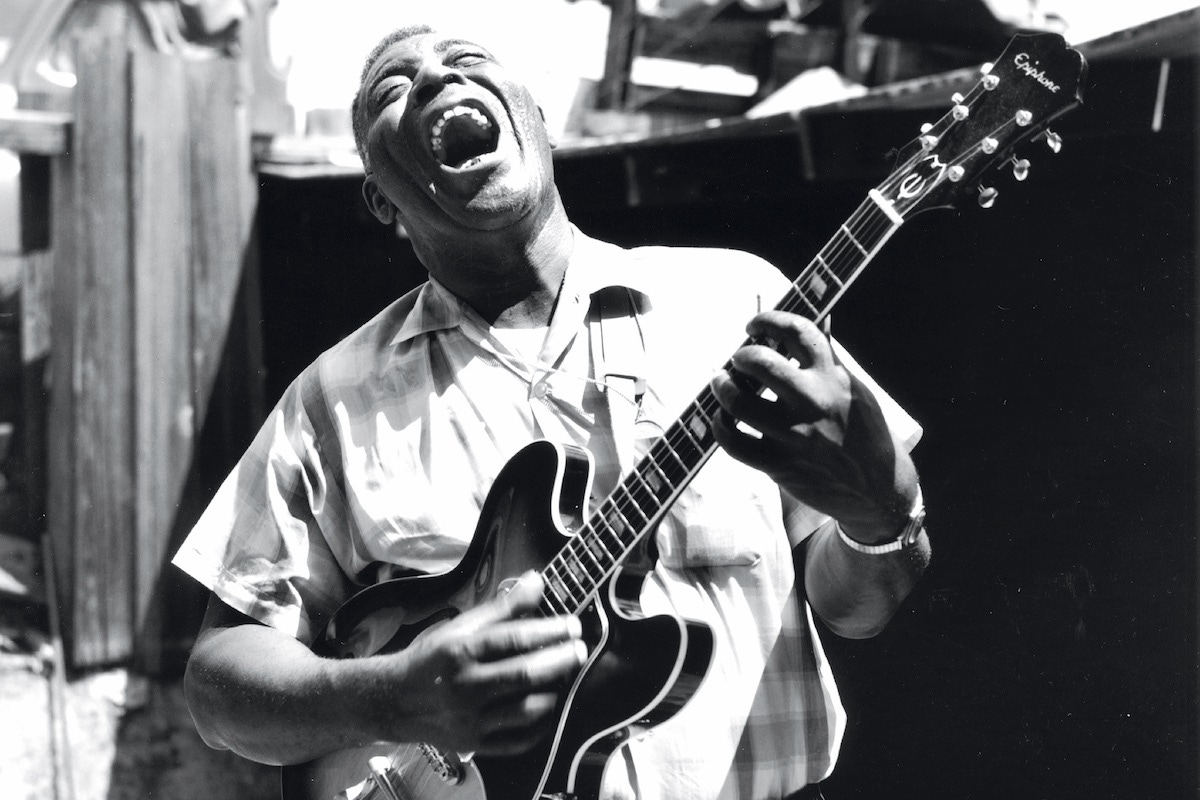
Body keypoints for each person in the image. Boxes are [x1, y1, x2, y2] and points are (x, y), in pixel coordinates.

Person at [174, 22, 930, 800]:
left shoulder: (740, 304)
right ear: (382, 203)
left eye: (467, 61)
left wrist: (884, 516)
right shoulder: (328, 405)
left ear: (541, 122)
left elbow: (859, 611)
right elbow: (218, 685)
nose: (437, 79)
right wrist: (394, 693)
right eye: (394, 92)